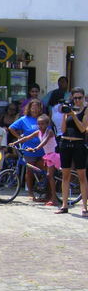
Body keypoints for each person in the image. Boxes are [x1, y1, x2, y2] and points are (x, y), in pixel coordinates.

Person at [11, 114, 60, 207]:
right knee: (45, 174)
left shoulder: (49, 132)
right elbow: (26, 138)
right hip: (47, 156)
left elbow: (44, 142)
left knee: (50, 176)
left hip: (53, 156)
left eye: (42, 124)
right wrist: (15, 142)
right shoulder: (38, 132)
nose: (40, 126)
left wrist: (35, 149)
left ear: (47, 124)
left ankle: (54, 199)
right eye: (39, 124)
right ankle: (47, 195)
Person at [56, 87, 88, 216]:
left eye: (80, 98)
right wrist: (65, 114)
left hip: (78, 144)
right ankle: (64, 205)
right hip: (65, 142)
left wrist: (74, 115)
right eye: (75, 98)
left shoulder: (85, 110)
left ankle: (84, 206)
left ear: (84, 98)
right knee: (65, 175)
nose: (77, 100)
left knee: (81, 175)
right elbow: (63, 129)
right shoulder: (67, 110)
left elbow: (82, 129)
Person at [9, 99, 46, 201]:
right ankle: (30, 192)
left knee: (43, 170)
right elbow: (11, 128)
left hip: (42, 149)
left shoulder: (43, 119)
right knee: (29, 171)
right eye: (33, 107)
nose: (34, 109)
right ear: (29, 108)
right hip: (28, 150)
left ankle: (44, 191)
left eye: (37, 107)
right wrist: (19, 138)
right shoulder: (24, 119)